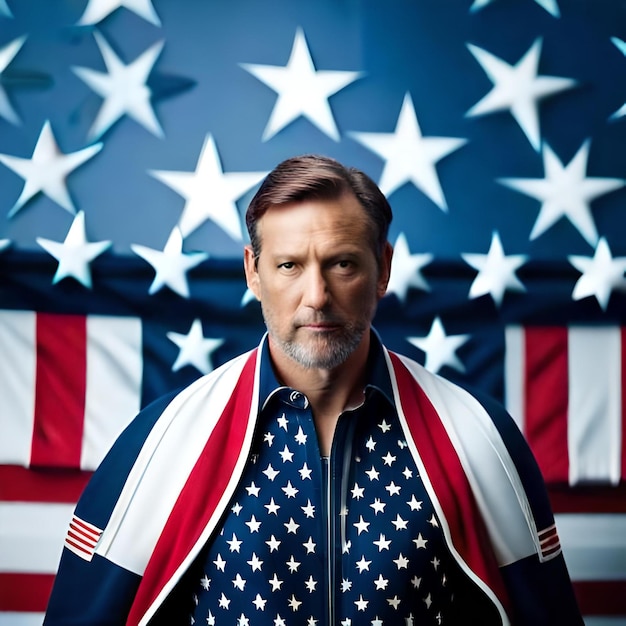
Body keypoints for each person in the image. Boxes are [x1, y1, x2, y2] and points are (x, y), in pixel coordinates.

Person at [44, 154, 583, 625]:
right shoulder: (162, 443)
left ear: (383, 269)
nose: (316, 296)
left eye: (342, 263)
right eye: (289, 266)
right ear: (254, 272)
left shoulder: (478, 437)